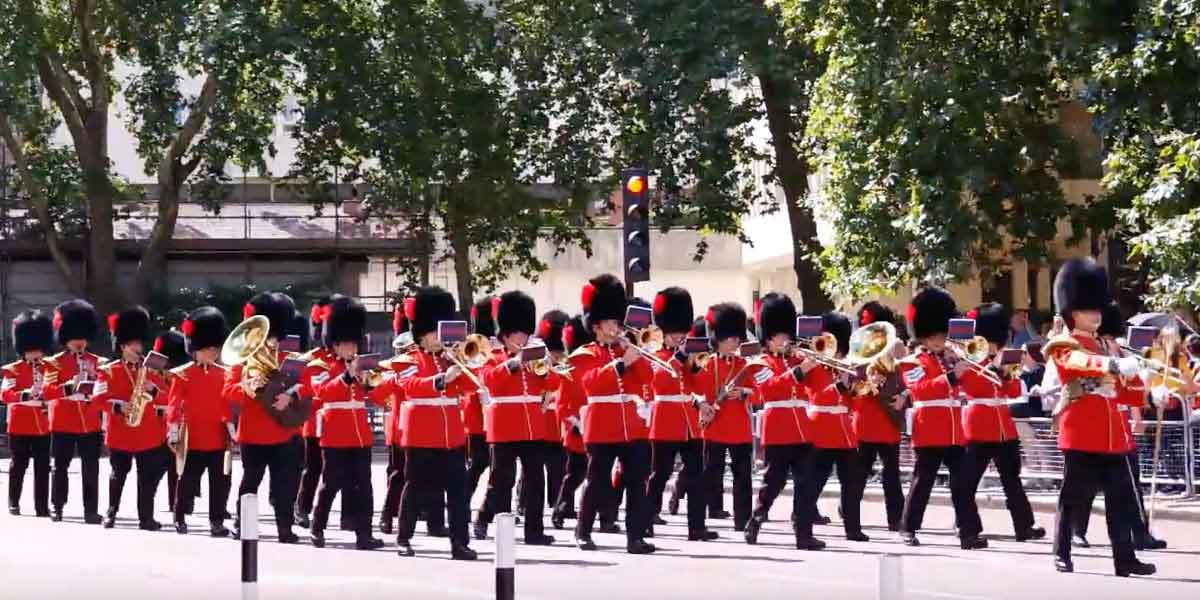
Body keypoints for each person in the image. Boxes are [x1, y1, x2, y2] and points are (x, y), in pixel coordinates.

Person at [1049, 257, 1156, 577]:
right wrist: (1111, 367)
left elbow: (1122, 391)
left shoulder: (1108, 346)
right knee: (1072, 499)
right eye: (1088, 309)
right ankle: (1061, 552)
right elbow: (1078, 366)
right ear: (1072, 312)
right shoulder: (1063, 343)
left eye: (1097, 309)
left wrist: (1149, 391)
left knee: (1120, 502)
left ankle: (1124, 559)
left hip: (1114, 438)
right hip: (1082, 434)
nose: (1095, 314)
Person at [389, 286, 478, 560]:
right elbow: (411, 386)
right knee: (414, 489)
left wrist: (465, 365)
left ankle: (459, 543)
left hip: (451, 436)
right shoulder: (409, 360)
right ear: (422, 335)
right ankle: (404, 538)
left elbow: (470, 386)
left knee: (458, 493)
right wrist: (442, 380)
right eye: (435, 332)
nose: (440, 338)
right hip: (421, 435)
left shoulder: (450, 359)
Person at [570, 274, 655, 554]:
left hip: (632, 425)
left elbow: (647, 379)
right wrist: (620, 364)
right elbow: (590, 383)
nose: (615, 328)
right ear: (595, 326)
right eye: (609, 323)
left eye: (617, 322)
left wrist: (635, 354)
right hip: (602, 425)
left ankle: (635, 537)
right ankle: (583, 531)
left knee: (636, 483)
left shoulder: (627, 349)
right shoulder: (584, 353)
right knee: (596, 482)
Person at [1072, 300, 1167, 551]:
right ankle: (1076, 531)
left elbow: (1129, 391)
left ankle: (1139, 533)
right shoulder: (1084, 352)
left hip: (1119, 425)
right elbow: (1065, 390)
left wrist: (1147, 394)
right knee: (1086, 486)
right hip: (1091, 425)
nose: (1112, 341)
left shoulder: (1122, 353)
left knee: (1131, 485)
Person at [897, 287, 986, 549]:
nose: (940, 340)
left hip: (954, 429)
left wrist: (964, 367)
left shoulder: (949, 358)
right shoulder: (912, 362)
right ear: (923, 335)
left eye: (942, 335)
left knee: (962, 485)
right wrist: (951, 375)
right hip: (929, 428)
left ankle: (969, 532)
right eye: (934, 336)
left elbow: (967, 386)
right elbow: (919, 389)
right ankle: (908, 527)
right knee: (922, 482)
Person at [472, 291, 557, 545]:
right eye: (517, 334)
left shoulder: (535, 357)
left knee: (534, 481)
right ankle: (485, 519)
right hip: (504, 426)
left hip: (532, 426)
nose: (522, 338)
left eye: (524, 333)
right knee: (501, 481)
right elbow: (489, 381)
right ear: (505, 336)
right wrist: (514, 364)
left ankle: (534, 531)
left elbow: (553, 383)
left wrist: (543, 371)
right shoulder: (493, 358)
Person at [305, 296, 387, 550]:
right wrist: (346, 377)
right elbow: (322, 393)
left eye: (354, 343)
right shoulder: (320, 365)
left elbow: (376, 395)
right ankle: (317, 528)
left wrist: (371, 382)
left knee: (364, 486)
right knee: (330, 485)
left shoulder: (362, 365)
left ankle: (364, 535)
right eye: (346, 344)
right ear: (335, 343)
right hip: (334, 434)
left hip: (360, 435)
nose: (351, 349)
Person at [957, 303, 1044, 542]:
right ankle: (968, 530)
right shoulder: (969, 355)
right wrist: (990, 367)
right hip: (978, 425)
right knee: (967, 484)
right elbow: (972, 387)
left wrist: (1006, 372)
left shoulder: (1006, 356)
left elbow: (1014, 389)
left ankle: (1024, 526)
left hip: (1003, 427)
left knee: (1012, 481)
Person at [223, 291, 305, 543]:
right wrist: (246, 387)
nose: (269, 341)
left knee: (284, 485)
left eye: (271, 336)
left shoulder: (290, 358)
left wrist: (290, 396)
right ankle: (242, 523)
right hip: (254, 433)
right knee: (249, 483)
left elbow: (309, 387)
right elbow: (227, 391)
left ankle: (284, 528)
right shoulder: (242, 361)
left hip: (284, 431)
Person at [791, 312, 870, 549]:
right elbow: (816, 397)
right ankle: (801, 520)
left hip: (844, 431)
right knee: (814, 483)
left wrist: (855, 389)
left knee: (852, 483)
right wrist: (839, 385)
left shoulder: (843, 365)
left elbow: (851, 405)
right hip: (820, 428)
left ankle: (853, 528)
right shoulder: (812, 366)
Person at [645, 287, 717, 541]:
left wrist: (695, 367)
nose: (678, 337)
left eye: (681, 332)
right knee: (659, 474)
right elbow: (659, 383)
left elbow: (698, 387)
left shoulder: (689, 357)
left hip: (689, 421)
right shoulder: (654, 354)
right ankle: (645, 520)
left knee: (697, 475)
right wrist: (679, 358)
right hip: (665, 419)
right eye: (674, 333)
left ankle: (696, 527)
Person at [743, 293, 810, 545]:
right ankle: (756, 518)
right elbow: (768, 389)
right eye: (778, 336)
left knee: (805, 482)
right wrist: (798, 372)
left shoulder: (799, 359)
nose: (784, 340)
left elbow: (817, 387)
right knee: (774, 481)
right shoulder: (760, 363)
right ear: (768, 338)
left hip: (803, 427)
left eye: (786, 335)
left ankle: (804, 533)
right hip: (778, 428)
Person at [96, 306, 170, 530]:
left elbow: (169, 398)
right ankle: (111, 512)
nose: (138, 348)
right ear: (122, 346)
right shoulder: (108, 371)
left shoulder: (153, 370)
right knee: (118, 475)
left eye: (139, 344)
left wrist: (154, 390)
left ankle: (145, 517)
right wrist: (120, 406)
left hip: (148, 432)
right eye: (133, 345)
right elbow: (98, 400)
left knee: (146, 478)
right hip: (121, 431)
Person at [167, 307, 233, 537]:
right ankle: (180, 516)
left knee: (219, 483)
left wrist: (231, 429)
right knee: (186, 481)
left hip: (216, 435)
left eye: (215, 348)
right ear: (196, 349)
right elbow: (174, 404)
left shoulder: (224, 374)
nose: (214, 352)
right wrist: (173, 432)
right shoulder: (182, 374)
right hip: (192, 435)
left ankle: (216, 520)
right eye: (209, 348)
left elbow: (226, 404)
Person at [695, 302, 759, 534]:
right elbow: (696, 391)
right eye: (730, 338)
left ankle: (742, 520)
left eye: (736, 338)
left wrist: (744, 393)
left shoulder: (745, 366)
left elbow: (760, 391)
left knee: (743, 478)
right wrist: (703, 406)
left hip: (740, 428)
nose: (735, 342)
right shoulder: (707, 364)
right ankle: (707, 512)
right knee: (711, 474)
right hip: (715, 427)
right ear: (718, 338)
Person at [46, 299, 104, 524]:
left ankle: (91, 510)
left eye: (82, 337)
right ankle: (57, 506)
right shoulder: (54, 364)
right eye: (74, 337)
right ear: (65, 338)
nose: (79, 342)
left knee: (91, 469)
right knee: (60, 467)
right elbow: (49, 392)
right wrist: (70, 385)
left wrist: (93, 378)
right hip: (63, 422)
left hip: (89, 423)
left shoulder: (98, 362)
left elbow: (106, 390)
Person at [849, 301, 906, 532]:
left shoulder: (896, 347)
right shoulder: (858, 350)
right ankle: (850, 511)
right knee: (859, 474)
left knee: (891, 475)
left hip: (888, 417)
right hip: (865, 417)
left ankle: (896, 517)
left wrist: (904, 395)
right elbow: (852, 382)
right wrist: (866, 382)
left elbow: (908, 379)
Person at [296, 295, 345, 530]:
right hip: (316, 423)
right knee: (313, 469)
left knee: (342, 473)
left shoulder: (347, 360)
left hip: (340, 423)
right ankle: (302, 509)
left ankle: (349, 516)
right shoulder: (312, 360)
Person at [2, 311, 56, 517]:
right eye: (31, 351)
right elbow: (5, 395)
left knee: (43, 467)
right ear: (23, 351)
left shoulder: (50, 368)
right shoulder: (12, 370)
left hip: (43, 423)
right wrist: (26, 394)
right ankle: (13, 501)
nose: (35, 355)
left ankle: (41, 506)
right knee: (19, 465)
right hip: (20, 423)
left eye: (38, 350)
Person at [517, 310, 570, 522]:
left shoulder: (563, 364)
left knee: (558, 469)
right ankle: (522, 503)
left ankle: (557, 506)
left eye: (559, 353)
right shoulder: (538, 362)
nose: (557, 357)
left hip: (556, 426)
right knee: (531, 472)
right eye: (555, 353)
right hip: (540, 423)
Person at [551, 314, 591, 529]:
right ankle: (561, 508)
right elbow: (561, 403)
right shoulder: (569, 366)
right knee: (575, 474)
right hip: (577, 428)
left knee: (592, 473)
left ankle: (602, 515)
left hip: (594, 424)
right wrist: (576, 422)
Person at [464, 296, 497, 504]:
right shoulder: (472, 346)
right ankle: (462, 500)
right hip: (476, 415)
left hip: (494, 413)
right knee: (479, 462)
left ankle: (494, 504)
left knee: (496, 465)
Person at [154, 329, 189, 514]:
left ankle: (176, 504)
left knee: (178, 469)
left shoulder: (181, 375)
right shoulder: (151, 374)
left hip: (177, 427)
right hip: (156, 428)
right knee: (154, 472)